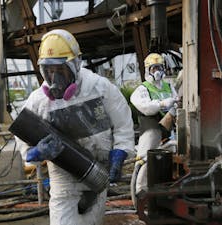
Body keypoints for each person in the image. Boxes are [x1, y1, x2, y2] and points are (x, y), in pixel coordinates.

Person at [16, 29, 135, 225]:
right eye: (49, 70)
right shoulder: (39, 101)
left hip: (98, 170)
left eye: (60, 70)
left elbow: (123, 124)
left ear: (75, 64)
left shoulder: (100, 88)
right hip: (64, 177)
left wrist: (120, 153)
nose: (55, 78)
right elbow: (23, 140)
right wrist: (37, 152)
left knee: (92, 222)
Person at [130, 53, 178, 194]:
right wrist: (163, 103)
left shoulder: (169, 86)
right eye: (153, 68)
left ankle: (164, 189)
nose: (157, 71)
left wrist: (175, 105)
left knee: (168, 159)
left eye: (159, 67)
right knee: (145, 160)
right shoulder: (142, 89)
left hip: (168, 128)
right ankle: (140, 191)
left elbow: (176, 100)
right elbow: (146, 108)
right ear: (147, 71)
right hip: (151, 129)